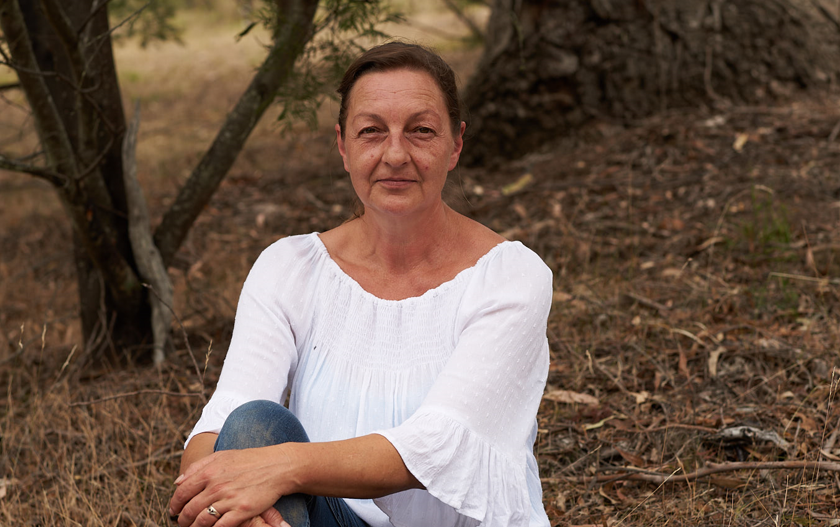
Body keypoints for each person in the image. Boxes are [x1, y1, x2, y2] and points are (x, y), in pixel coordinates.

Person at [168, 42, 553, 527]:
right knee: (250, 426)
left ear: (455, 144)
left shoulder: (510, 278)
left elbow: (436, 446)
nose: (395, 154)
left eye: (421, 131)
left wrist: (280, 468)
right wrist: (233, 479)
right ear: (343, 146)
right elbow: (219, 429)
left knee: (254, 454)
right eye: (372, 131)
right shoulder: (289, 268)